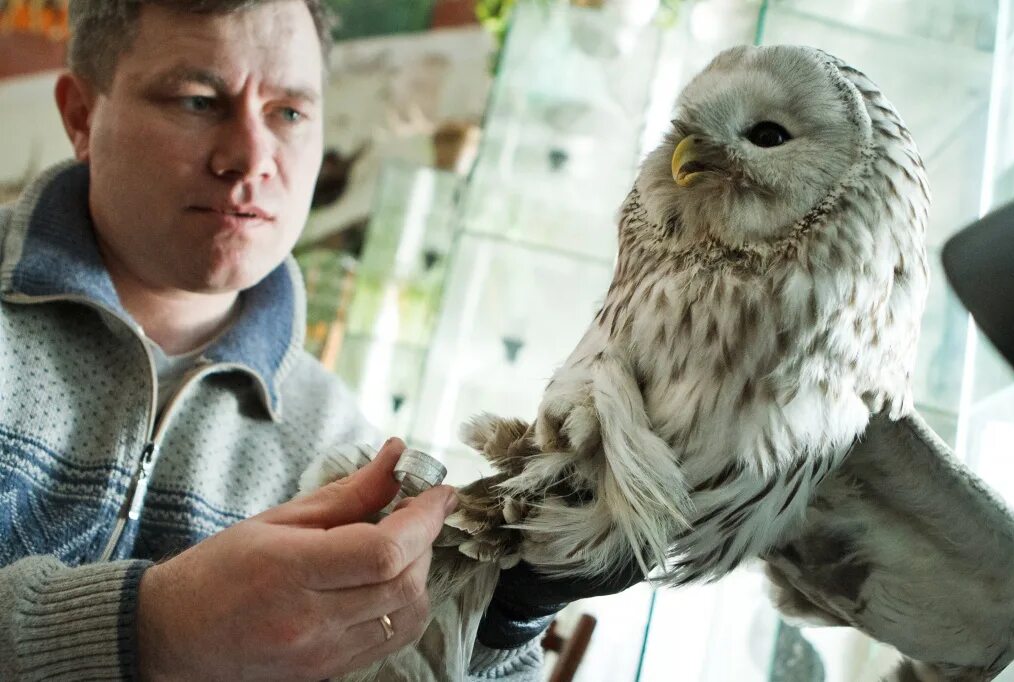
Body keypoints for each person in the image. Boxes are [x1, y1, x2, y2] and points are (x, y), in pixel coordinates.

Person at [0, 1, 639, 678]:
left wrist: (500, 619)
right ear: (80, 116)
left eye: (290, 113)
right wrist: (151, 629)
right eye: (195, 101)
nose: (249, 155)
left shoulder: (335, 446)